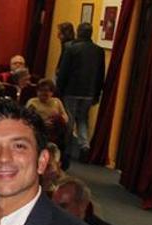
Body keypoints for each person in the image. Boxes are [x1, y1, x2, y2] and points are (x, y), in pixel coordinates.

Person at [57, 23, 105, 161]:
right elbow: (101, 73)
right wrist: (97, 93)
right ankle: (84, 146)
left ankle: (67, 149)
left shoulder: (71, 48)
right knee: (83, 119)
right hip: (89, 91)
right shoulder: (99, 51)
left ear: (78, 32)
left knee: (69, 119)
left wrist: (59, 89)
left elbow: (64, 71)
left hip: (71, 89)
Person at [52, 176, 122, 225]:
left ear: (82, 205)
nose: (55, 211)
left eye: (63, 206)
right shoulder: (48, 222)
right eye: (53, 205)